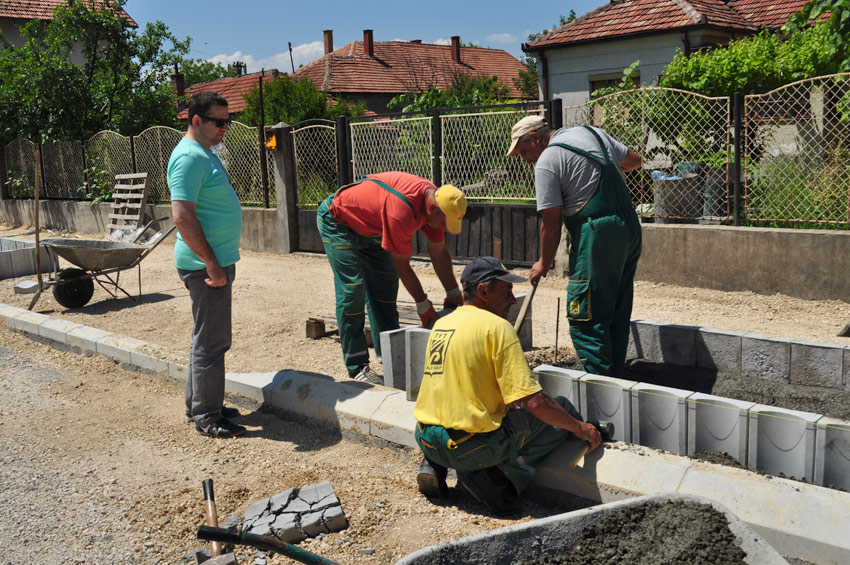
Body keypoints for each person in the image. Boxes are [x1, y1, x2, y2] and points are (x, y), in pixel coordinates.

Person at [413, 256, 602, 515]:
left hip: (426, 437)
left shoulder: (442, 325)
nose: (513, 300)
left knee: (458, 415)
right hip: (472, 448)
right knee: (562, 410)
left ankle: (433, 465)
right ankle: (497, 479)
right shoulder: (498, 328)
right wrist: (581, 428)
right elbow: (535, 402)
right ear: (483, 292)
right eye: (507, 291)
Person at [507, 115, 643, 377]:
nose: (527, 160)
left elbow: (551, 222)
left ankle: (598, 386)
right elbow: (634, 161)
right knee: (616, 309)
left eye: (524, 152)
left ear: (535, 138)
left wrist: (543, 263)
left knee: (586, 315)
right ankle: (617, 379)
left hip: (597, 235)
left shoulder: (548, 160)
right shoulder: (592, 133)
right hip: (628, 227)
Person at [317, 172, 467, 385]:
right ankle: (357, 365)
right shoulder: (402, 210)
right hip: (338, 221)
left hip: (373, 228)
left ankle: (389, 356)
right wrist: (423, 306)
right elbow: (402, 266)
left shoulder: (435, 201)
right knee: (353, 289)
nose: (444, 228)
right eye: (444, 223)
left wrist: (453, 293)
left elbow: (439, 251)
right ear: (433, 208)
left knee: (385, 289)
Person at [168, 91, 245, 439]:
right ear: (197, 121)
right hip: (205, 267)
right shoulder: (189, 157)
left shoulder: (204, 152)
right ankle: (207, 415)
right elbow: (182, 217)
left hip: (213, 263)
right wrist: (211, 263)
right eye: (219, 122)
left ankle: (199, 403)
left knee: (207, 337)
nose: (225, 127)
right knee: (212, 342)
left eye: (228, 121)